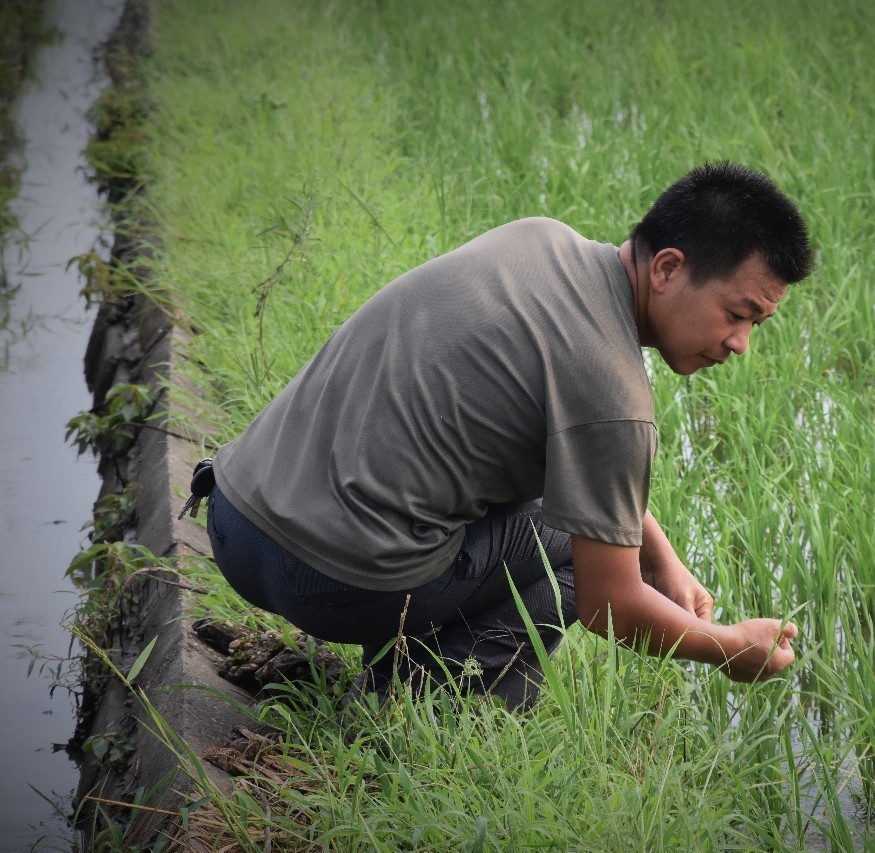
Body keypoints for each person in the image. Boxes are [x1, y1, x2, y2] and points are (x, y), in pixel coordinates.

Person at [200, 161, 812, 711]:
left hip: (235, 520)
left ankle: (396, 671)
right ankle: (410, 707)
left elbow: (577, 450)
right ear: (668, 268)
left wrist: (663, 557)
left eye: (756, 324)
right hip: (327, 582)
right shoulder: (614, 395)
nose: (740, 343)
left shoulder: (539, 240)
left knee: (557, 504)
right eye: (736, 314)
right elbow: (612, 606)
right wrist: (728, 648)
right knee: (573, 555)